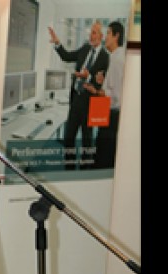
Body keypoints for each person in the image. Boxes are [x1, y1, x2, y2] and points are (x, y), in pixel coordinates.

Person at [48, 21, 109, 170]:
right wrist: (57, 43)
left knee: (87, 142)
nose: (91, 35)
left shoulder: (105, 57)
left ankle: (83, 172)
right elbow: (67, 56)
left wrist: (88, 77)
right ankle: (69, 169)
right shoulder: (85, 48)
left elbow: (103, 85)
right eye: (91, 32)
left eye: (94, 33)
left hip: (90, 104)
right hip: (76, 100)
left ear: (101, 36)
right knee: (69, 138)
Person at [86, 21, 125, 169]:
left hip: (112, 116)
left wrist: (96, 91)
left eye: (108, 33)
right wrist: (103, 82)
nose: (105, 38)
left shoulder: (116, 60)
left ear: (116, 36)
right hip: (110, 115)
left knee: (102, 159)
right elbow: (114, 85)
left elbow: (115, 96)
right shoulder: (116, 56)